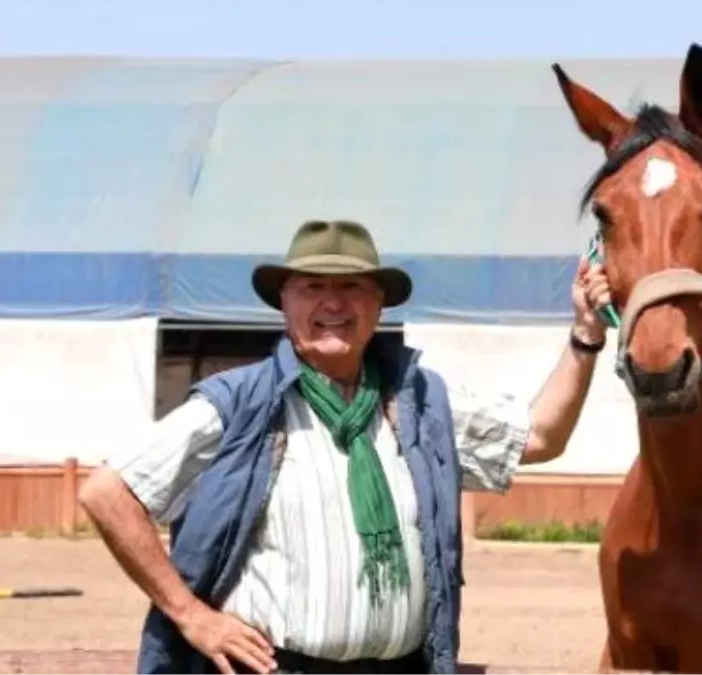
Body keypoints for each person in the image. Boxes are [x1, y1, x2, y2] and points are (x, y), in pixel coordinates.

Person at [78, 219, 613, 675]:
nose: (333, 303)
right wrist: (193, 616)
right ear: (284, 303)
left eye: (353, 286)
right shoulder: (239, 404)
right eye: (311, 286)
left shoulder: (419, 401)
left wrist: (585, 335)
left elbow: (541, 436)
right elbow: (107, 492)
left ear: (378, 304)